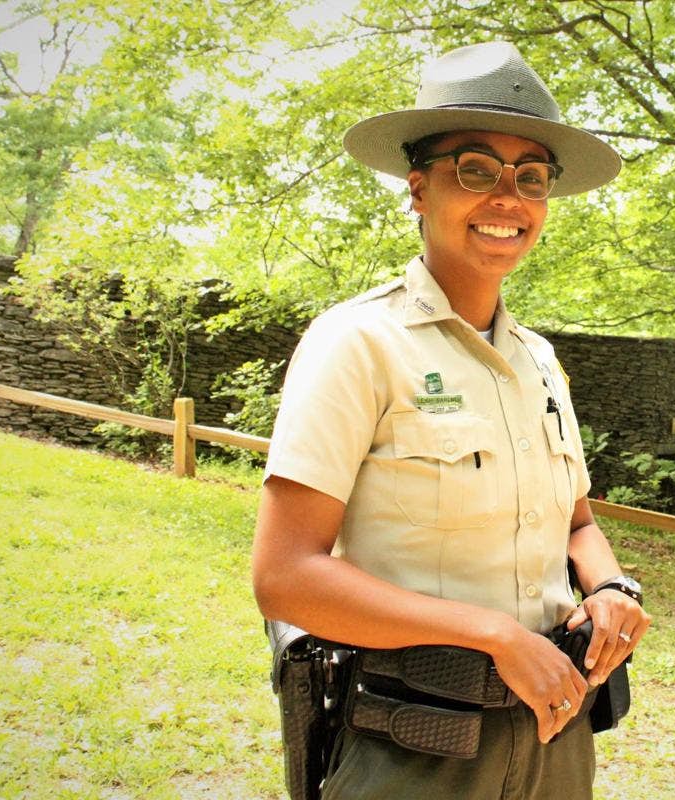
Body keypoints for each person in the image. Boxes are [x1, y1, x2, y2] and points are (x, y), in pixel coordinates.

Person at [251, 41, 651, 800]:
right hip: (414, 743)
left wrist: (613, 590)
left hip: (555, 735)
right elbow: (286, 577)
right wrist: (492, 634)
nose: (508, 198)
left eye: (531, 178)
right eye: (476, 170)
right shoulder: (356, 344)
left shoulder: (539, 361)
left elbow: (575, 524)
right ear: (418, 190)